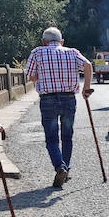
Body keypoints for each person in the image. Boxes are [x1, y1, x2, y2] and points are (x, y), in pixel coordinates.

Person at [24, 27, 93, 187]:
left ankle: (60, 167)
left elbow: (32, 76)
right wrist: (86, 88)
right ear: (62, 41)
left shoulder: (37, 52)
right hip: (69, 98)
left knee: (52, 137)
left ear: (43, 41)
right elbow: (88, 65)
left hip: (48, 100)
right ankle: (66, 168)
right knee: (67, 136)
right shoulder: (72, 52)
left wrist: (44, 76)